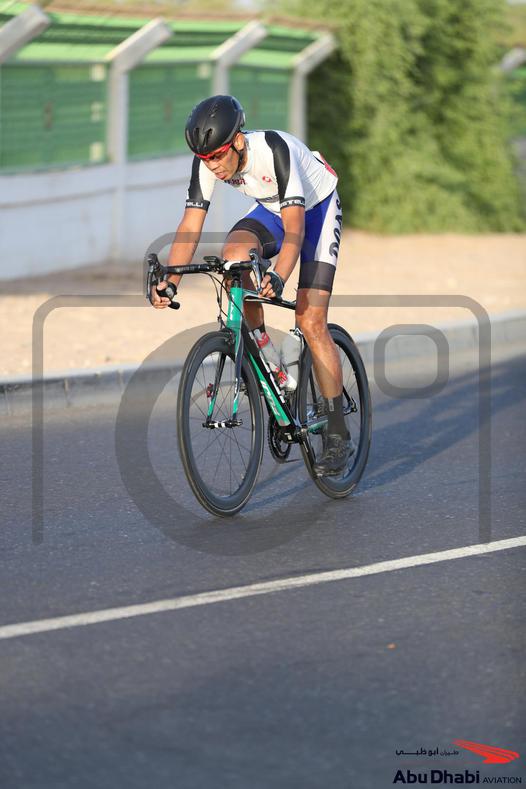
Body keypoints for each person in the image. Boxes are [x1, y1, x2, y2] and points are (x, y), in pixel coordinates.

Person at [150, 94, 353, 476]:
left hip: (316, 210)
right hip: (272, 209)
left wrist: (279, 276)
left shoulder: (273, 150)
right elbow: (190, 225)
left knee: (310, 321)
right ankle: (267, 356)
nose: (213, 166)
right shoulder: (208, 161)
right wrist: (171, 281)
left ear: (238, 142)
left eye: (217, 157)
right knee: (234, 257)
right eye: (205, 158)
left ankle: (338, 433)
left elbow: (296, 231)